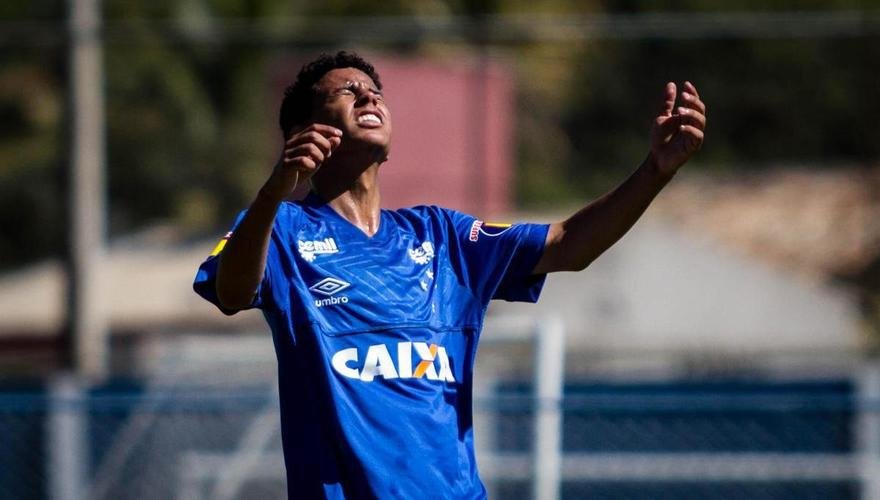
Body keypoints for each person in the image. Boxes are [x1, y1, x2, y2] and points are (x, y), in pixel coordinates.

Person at [193, 50, 706, 499]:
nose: (369, 99)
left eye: (375, 92)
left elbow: (568, 245)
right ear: (305, 130)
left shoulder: (442, 236)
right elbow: (231, 291)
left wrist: (654, 171)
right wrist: (274, 191)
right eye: (348, 92)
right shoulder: (279, 227)